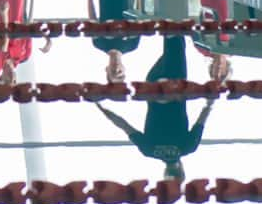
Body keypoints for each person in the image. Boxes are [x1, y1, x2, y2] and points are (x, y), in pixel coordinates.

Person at [95, 36, 229, 180]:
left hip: (176, 84)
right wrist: (101, 107)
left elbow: (204, 115)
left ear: (182, 170)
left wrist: (212, 96)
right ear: (165, 172)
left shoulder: (187, 147)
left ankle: (174, 18)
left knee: (174, 36)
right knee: (171, 45)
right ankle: (171, 21)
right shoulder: (149, 150)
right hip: (152, 85)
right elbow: (123, 125)